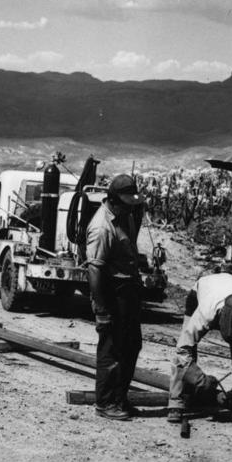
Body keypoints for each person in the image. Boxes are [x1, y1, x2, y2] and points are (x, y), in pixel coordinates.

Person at [85, 173, 145, 421]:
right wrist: (101, 310)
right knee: (111, 350)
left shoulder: (125, 216)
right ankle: (106, 403)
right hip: (111, 293)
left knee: (131, 346)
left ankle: (120, 398)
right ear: (112, 200)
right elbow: (95, 270)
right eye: (126, 203)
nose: (131, 208)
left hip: (128, 291)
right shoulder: (101, 227)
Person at [167, 272, 232, 423]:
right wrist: (201, 381)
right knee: (186, 347)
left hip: (228, 289)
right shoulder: (207, 310)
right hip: (202, 291)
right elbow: (182, 350)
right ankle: (176, 403)